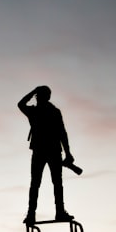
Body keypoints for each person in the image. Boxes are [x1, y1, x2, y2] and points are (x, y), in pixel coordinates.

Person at [18, 85, 74, 224]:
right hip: (42, 151)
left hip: (51, 151)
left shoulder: (51, 112)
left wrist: (68, 153)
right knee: (38, 183)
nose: (38, 98)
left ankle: (58, 212)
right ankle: (32, 214)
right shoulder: (36, 111)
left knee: (54, 183)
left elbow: (62, 133)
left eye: (39, 95)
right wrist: (67, 153)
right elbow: (20, 104)